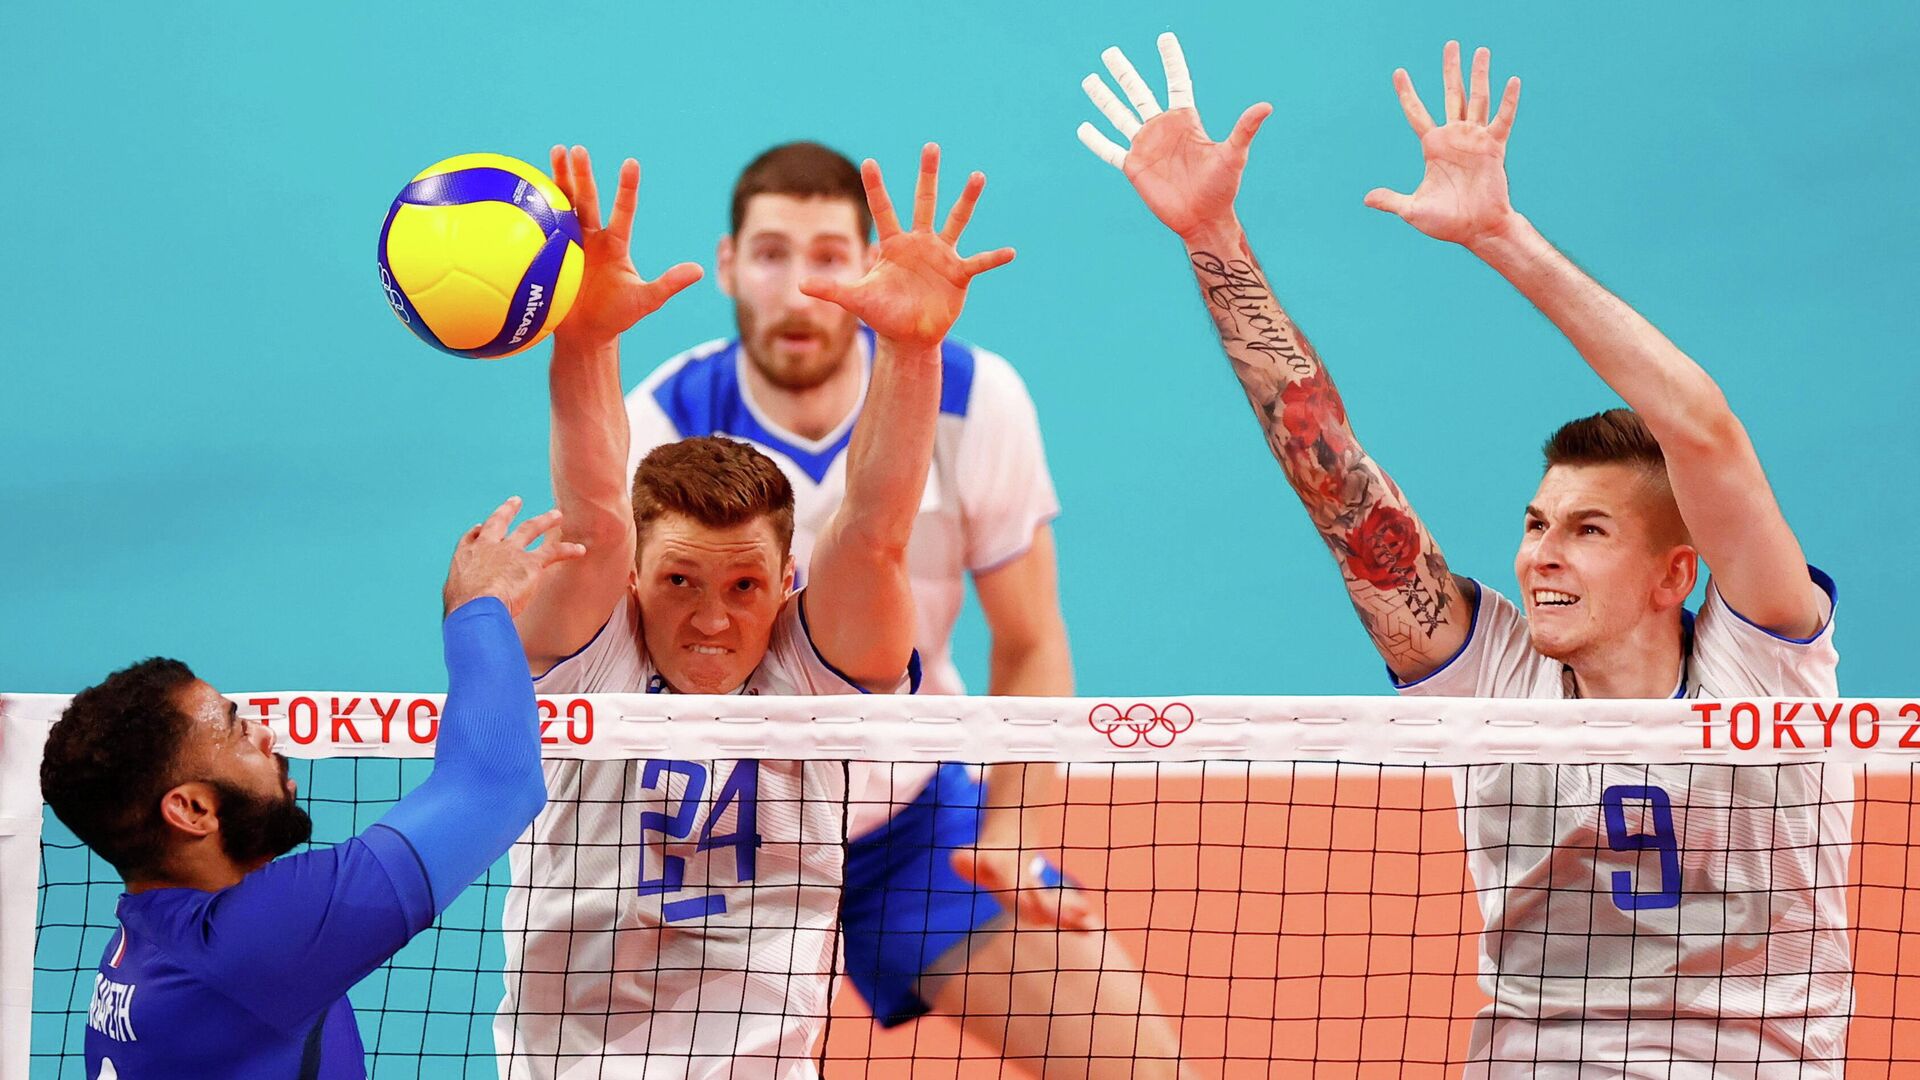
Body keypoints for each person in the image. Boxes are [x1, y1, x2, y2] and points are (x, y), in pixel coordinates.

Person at [1079, 33, 1848, 1079]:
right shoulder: (1494, 673)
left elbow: (1704, 431)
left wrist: (1501, 237)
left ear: (1678, 575)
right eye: (1537, 524)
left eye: (1588, 531)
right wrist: (1214, 237)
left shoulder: (1766, 667)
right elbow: (1329, 472)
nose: (1541, 557)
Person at [622, 141, 1179, 1078]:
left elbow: (1032, 637)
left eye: (831, 256)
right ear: (727, 264)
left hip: (910, 826)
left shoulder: (974, 400)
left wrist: (1012, 832)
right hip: (714, 841)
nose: (800, 290)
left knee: (1142, 1065)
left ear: (867, 265)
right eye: (770, 255)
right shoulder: (665, 418)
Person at [494, 143, 1019, 1080]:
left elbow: (872, 535)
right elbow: (596, 518)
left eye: (743, 587)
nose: (708, 620)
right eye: (679, 582)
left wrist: (910, 348)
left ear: (786, 586)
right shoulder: (589, 664)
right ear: (631, 585)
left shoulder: (808, 680)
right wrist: (582, 343)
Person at [39, 498, 579, 1079]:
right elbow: (496, 782)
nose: (267, 735)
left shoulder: (147, 942)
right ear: (192, 809)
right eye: (236, 730)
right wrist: (478, 605)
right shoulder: (250, 947)